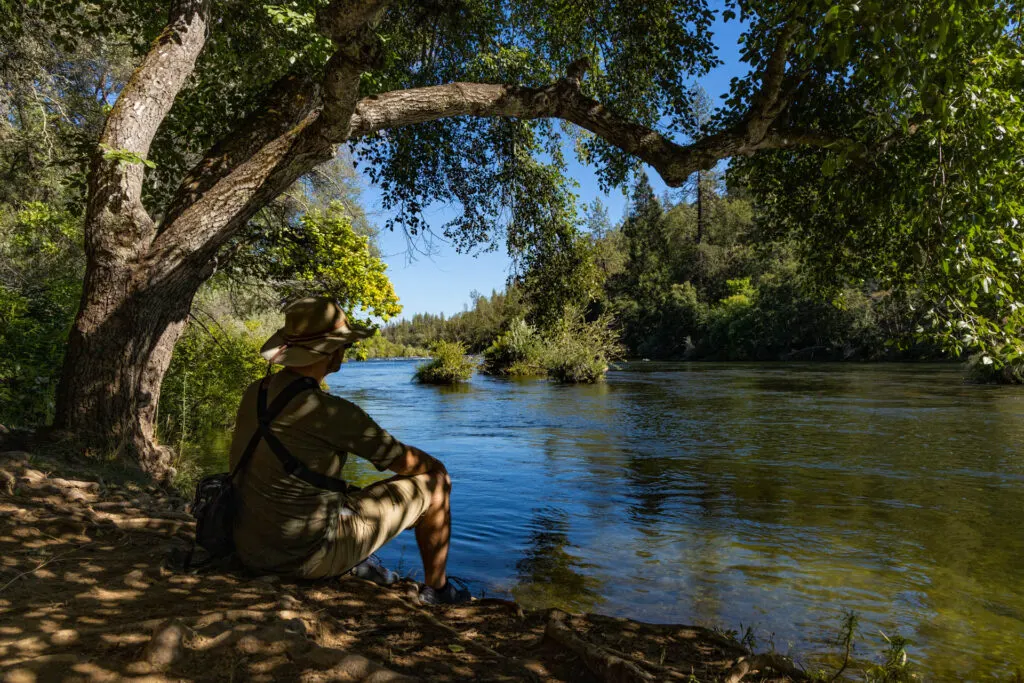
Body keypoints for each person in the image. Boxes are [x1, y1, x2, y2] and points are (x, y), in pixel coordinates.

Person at [227, 296, 470, 604]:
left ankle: (353, 559)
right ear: (330, 350)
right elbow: (402, 460)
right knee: (436, 485)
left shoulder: (255, 393)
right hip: (302, 557)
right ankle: (438, 591)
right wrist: (438, 466)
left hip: (248, 546)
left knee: (337, 492)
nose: (345, 349)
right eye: (343, 344)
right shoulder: (330, 412)